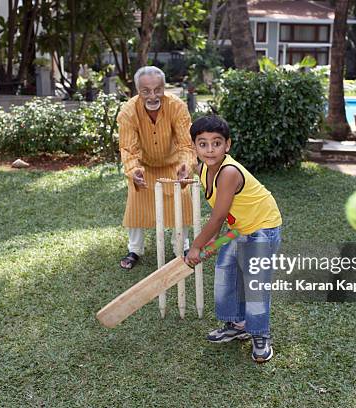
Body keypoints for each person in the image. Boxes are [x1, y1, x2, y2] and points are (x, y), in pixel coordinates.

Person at [184, 115, 282, 363]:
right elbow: (219, 205)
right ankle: (237, 325)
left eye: (216, 143)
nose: (209, 149)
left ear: (227, 145)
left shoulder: (228, 172)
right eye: (202, 143)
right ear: (194, 147)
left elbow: (216, 218)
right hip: (238, 227)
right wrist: (213, 241)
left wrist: (196, 246)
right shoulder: (204, 168)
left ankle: (260, 334)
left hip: (262, 227)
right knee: (226, 274)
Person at [117, 66, 196, 270]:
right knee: (136, 204)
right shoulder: (128, 111)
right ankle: (134, 249)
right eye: (146, 91)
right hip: (143, 167)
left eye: (157, 89)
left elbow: (186, 143)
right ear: (137, 91)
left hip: (173, 165)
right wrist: (133, 170)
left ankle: (182, 246)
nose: (153, 96)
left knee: (183, 200)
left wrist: (186, 166)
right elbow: (128, 147)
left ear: (164, 87)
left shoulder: (177, 106)